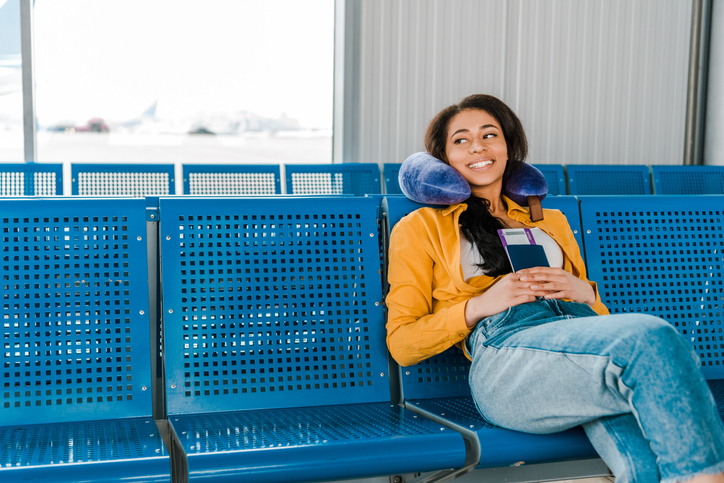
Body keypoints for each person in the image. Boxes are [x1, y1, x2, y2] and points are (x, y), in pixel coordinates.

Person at [385, 94, 724, 483]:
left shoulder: (552, 221)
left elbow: (598, 323)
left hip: (577, 342)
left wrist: (587, 294)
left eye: (489, 134)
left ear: (509, 146)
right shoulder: (421, 227)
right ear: (443, 159)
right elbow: (402, 343)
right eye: (460, 140)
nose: (477, 146)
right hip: (507, 358)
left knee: (646, 464)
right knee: (655, 339)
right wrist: (478, 306)